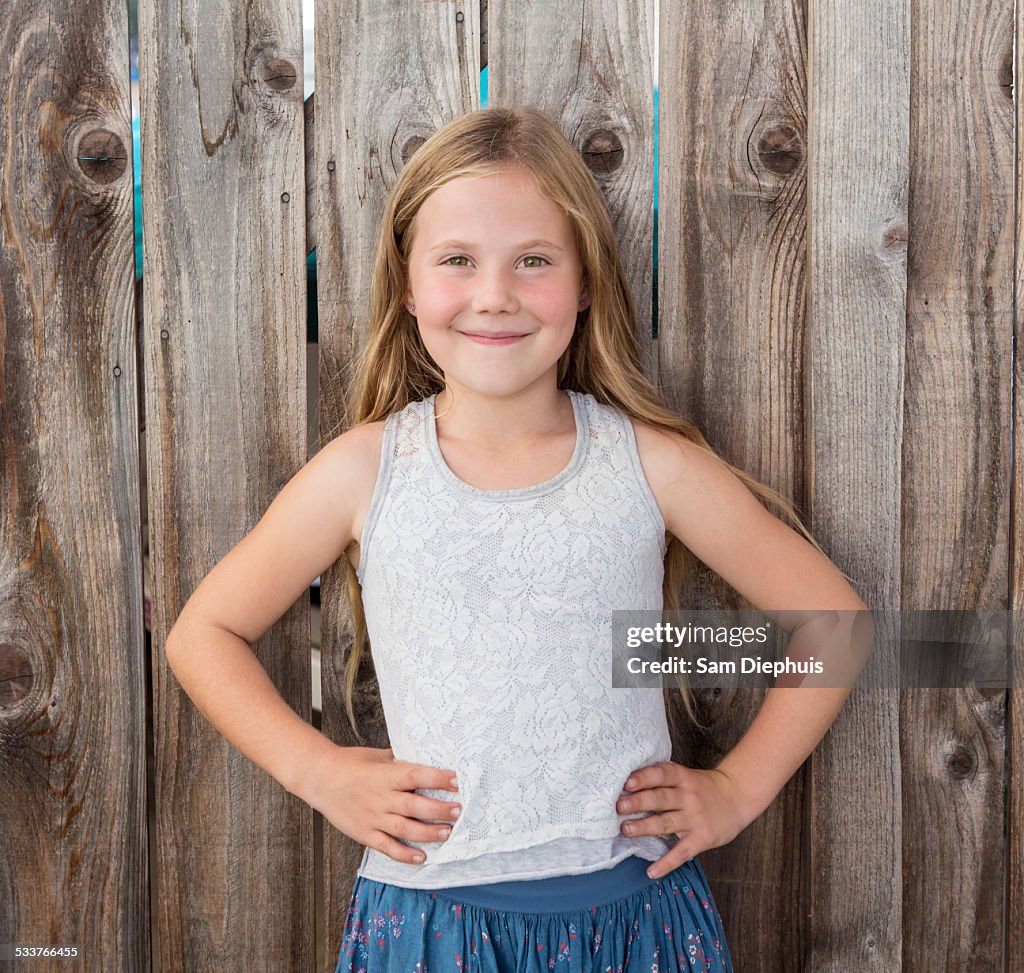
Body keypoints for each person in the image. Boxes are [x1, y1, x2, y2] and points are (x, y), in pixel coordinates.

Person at [165, 106, 871, 973]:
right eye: (457, 260)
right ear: (410, 283)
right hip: (427, 920)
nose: (493, 294)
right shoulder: (363, 471)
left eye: (532, 261)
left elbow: (832, 623)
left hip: (631, 913)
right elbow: (203, 634)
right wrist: (321, 772)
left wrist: (735, 787)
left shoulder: (651, 466)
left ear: (582, 282)